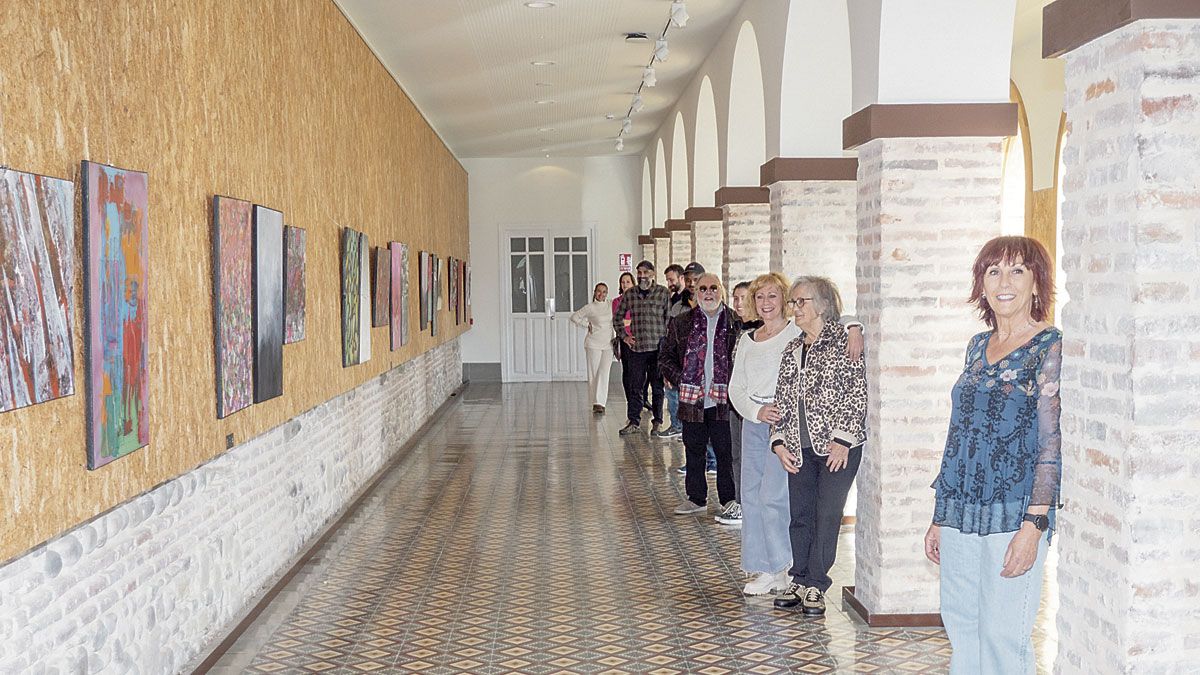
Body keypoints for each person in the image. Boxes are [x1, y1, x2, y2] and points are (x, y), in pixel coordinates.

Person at [923, 236, 1061, 674]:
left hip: (1013, 512)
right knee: (963, 627)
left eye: (1018, 270)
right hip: (961, 509)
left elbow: (1051, 444)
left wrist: (1034, 525)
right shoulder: (976, 346)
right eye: (993, 271)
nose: (1005, 281)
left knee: (1004, 637)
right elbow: (958, 433)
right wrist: (940, 515)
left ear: (1037, 283)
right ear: (981, 284)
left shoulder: (1049, 347)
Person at [771, 276, 868, 616]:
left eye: (801, 302)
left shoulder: (844, 340)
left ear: (822, 305)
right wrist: (778, 442)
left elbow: (856, 394)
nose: (794, 308)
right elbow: (781, 398)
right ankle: (798, 577)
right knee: (800, 515)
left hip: (837, 447)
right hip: (799, 446)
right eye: (793, 302)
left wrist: (843, 440)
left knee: (827, 514)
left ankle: (816, 583)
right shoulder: (791, 349)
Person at [728, 273, 799, 593]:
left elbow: (839, 322)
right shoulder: (747, 339)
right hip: (753, 421)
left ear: (784, 299)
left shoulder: (796, 334)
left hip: (783, 425)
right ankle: (762, 568)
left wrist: (855, 326)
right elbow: (735, 387)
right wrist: (755, 412)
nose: (766, 303)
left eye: (772, 296)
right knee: (752, 497)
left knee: (774, 497)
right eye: (760, 297)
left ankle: (784, 566)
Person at [659, 273, 737, 516]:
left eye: (714, 288)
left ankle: (729, 500)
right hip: (693, 400)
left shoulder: (735, 322)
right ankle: (696, 498)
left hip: (725, 400)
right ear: (696, 293)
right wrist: (683, 379)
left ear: (722, 292)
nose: (709, 293)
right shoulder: (681, 322)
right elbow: (665, 357)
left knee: (726, 452)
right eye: (703, 288)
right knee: (694, 449)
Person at [716, 280, 761, 527]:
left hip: (755, 405)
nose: (738, 303)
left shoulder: (763, 331)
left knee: (751, 455)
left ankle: (749, 503)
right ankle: (740, 500)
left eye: (744, 297)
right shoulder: (734, 327)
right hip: (735, 403)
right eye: (735, 298)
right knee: (736, 454)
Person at [612, 260, 670, 435]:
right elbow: (617, 318)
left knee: (658, 387)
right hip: (637, 348)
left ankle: (658, 421)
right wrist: (625, 337)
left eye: (645, 272)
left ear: (653, 274)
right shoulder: (630, 294)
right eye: (639, 273)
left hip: (657, 348)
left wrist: (666, 344)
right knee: (635, 386)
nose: (642, 276)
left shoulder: (662, 293)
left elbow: (668, 319)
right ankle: (634, 421)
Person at [570, 282, 615, 414]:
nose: (601, 294)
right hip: (593, 344)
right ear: (594, 292)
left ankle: (601, 402)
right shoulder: (590, 307)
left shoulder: (611, 305)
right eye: (599, 291)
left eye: (604, 292)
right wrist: (587, 325)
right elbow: (574, 317)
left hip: (608, 344)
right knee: (594, 373)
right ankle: (595, 402)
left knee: (604, 373)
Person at [657, 264, 688, 439]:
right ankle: (677, 425)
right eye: (667, 280)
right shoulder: (673, 300)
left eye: (672, 279)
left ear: (681, 278)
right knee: (671, 391)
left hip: (683, 355)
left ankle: (679, 426)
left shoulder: (686, 302)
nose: (669, 283)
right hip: (672, 351)